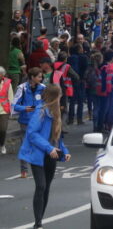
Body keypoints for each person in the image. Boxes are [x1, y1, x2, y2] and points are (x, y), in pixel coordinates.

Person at [19, 84, 70, 229]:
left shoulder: (57, 113)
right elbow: (32, 134)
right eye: (60, 95)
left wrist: (64, 151)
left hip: (52, 155)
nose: (61, 98)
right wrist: (48, 148)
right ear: (55, 97)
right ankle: (38, 224)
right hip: (38, 154)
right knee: (41, 186)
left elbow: (58, 138)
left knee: (46, 187)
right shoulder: (41, 112)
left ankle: (40, 220)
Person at [13, 66, 46, 178]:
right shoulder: (22, 88)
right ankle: (24, 169)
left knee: (40, 144)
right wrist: (24, 108)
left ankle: (41, 167)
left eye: (41, 77)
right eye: (39, 77)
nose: (41, 79)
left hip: (39, 121)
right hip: (25, 121)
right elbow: (14, 105)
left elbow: (48, 103)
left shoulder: (43, 88)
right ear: (32, 77)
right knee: (25, 145)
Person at [0, 66, 14, 155]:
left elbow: (11, 97)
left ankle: (2, 145)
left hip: (4, 110)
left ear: (2, 75)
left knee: (3, 129)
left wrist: (12, 111)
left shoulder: (7, 83)